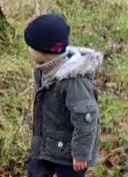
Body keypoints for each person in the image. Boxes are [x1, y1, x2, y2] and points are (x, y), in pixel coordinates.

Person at [24, 13, 102, 177]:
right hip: (46, 144)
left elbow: (86, 118)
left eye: (31, 47)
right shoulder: (45, 70)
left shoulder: (73, 81)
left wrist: (80, 154)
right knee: (34, 172)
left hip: (69, 154)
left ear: (45, 50)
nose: (29, 50)